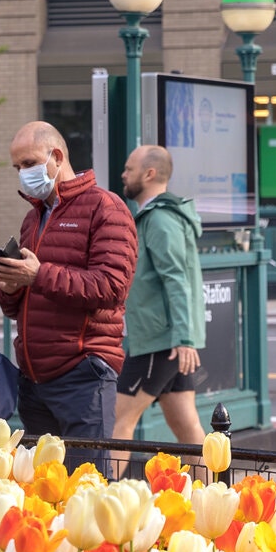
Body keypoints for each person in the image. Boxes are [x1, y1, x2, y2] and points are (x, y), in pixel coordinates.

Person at [0, 121, 137, 471]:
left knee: (87, 488)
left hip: (82, 372)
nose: (22, 174)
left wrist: (38, 274)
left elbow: (111, 287)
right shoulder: (33, 218)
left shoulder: (106, 207)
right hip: (34, 378)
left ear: (56, 157)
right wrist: (10, 287)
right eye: (17, 168)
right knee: (43, 493)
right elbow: (20, 305)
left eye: (28, 164)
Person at [111, 144, 205, 476]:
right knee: (186, 425)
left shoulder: (161, 219)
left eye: (129, 168)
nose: (123, 174)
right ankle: (213, 497)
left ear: (150, 174)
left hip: (158, 340)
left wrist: (182, 338)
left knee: (120, 419)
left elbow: (176, 279)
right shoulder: (159, 215)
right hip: (168, 337)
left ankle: (106, 501)